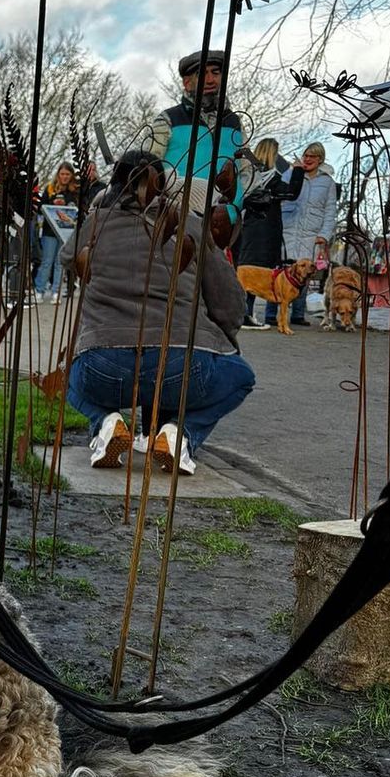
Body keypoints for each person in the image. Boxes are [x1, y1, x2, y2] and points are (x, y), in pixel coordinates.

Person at [66, 149, 254, 475]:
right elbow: (229, 302)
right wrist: (223, 339)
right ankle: (180, 435)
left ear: (116, 184)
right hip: (181, 362)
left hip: (103, 364)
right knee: (241, 377)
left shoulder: (95, 224)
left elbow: (68, 260)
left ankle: (106, 424)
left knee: (73, 376)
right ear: (162, 184)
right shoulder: (190, 226)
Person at [149, 50, 250, 248]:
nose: (211, 79)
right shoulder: (168, 119)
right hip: (177, 221)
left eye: (216, 72)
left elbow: (247, 169)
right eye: (202, 74)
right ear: (187, 82)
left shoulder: (235, 123)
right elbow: (151, 165)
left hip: (223, 223)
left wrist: (240, 203)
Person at [236, 138, 304, 329]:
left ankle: (243, 313)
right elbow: (291, 193)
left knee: (247, 270)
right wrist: (298, 169)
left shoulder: (249, 175)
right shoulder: (270, 178)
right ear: (272, 153)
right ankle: (246, 315)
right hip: (267, 231)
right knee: (260, 273)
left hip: (250, 227)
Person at [276, 141, 338, 328]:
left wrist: (325, 234)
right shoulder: (291, 174)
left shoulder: (327, 182)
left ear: (320, 159)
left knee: (304, 274)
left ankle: (297, 314)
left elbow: (330, 211)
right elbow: (279, 196)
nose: (308, 159)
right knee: (281, 270)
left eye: (312, 156)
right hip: (289, 228)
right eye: (306, 155)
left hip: (311, 233)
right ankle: (272, 314)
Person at [35, 161, 75, 302]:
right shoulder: (50, 189)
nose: (64, 177)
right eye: (62, 174)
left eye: (67, 174)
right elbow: (40, 207)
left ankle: (56, 291)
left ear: (71, 176)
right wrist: (52, 205)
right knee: (47, 261)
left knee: (60, 262)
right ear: (58, 174)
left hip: (66, 232)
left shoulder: (74, 191)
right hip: (49, 231)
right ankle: (39, 290)